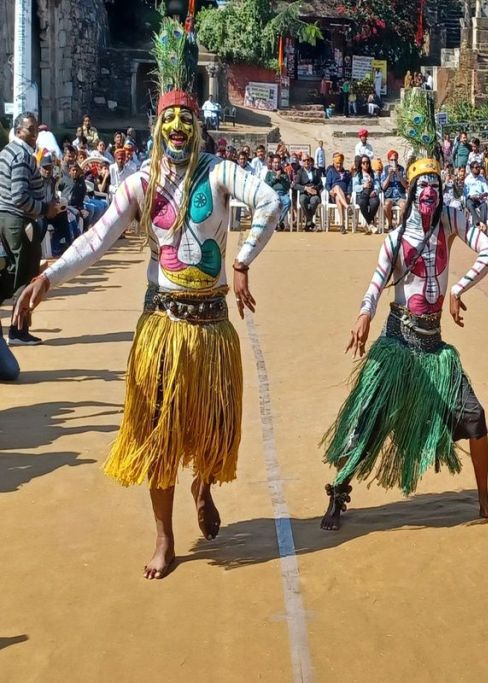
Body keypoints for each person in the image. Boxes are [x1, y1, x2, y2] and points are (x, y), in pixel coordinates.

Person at [13, 17, 282, 578]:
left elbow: (272, 203)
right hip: (161, 327)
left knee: (211, 429)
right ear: (157, 126)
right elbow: (97, 237)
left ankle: (204, 488)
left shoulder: (221, 173)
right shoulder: (138, 182)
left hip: (210, 330)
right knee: (158, 432)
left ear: (198, 126)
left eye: (186, 116)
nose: (179, 125)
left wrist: (239, 261)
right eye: (169, 118)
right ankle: (164, 537)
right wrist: (49, 277)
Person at [320, 86, 488, 531]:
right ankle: (339, 493)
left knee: (475, 418)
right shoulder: (395, 239)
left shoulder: (451, 220)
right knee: (366, 422)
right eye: (422, 187)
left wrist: (459, 288)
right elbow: (375, 282)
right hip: (398, 344)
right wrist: (365, 313)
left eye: (435, 186)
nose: (429, 193)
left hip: (434, 346)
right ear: (410, 190)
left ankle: (484, 500)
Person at [0, 112, 60, 351]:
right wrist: (46, 209)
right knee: (25, 276)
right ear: (18, 130)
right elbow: (19, 196)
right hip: (19, 220)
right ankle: (19, 330)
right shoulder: (22, 155)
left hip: (6, 218)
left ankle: (18, 328)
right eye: (29, 129)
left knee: (13, 271)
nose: (34, 134)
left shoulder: (5, 152)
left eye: (35, 129)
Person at [325, 153, 352, 231]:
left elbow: (349, 184)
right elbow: (327, 184)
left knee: (338, 198)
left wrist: (349, 194)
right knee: (336, 187)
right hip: (333, 195)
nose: (339, 165)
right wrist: (330, 190)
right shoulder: (331, 171)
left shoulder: (346, 173)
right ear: (334, 163)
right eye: (337, 163)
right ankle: (347, 207)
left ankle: (342, 225)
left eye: (340, 163)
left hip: (345, 196)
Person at [381, 150, 407, 230]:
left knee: (404, 205)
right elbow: (383, 187)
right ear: (388, 160)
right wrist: (389, 175)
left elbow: (405, 185)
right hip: (389, 195)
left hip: (400, 195)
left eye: (395, 160)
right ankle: (390, 224)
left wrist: (398, 173)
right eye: (392, 160)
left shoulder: (402, 169)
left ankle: (399, 224)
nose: (393, 161)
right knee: (387, 205)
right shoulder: (385, 170)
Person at [354, 155, 382, 231]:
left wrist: (375, 190)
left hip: (372, 193)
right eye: (363, 163)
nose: (366, 164)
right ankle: (370, 223)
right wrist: (363, 186)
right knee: (361, 202)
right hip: (362, 194)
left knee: (375, 202)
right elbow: (354, 187)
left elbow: (378, 185)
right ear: (360, 164)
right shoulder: (358, 175)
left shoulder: (373, 173)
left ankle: (368, 223)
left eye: (367, 162)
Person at [264, 154, 292, 230]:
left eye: (278, 162)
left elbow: (287, 186)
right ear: (272, 163)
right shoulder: (269, 174)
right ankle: (278, 222)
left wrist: (281, 178)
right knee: (275, 203)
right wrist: (276, 178)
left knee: (288, 201)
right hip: (272, 194)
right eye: (275, 162)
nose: (277, 164)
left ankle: (277, 221)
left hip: (282, 194)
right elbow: (267, 185)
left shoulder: (284, 174)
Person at [296, 155, 323, 231]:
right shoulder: (299, 172)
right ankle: (310, 223)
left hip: (314, 193)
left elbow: (321, 184)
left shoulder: (316, 171)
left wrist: (315, 189)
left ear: (310, 161)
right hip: (305, 193)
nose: (306, 162)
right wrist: (306, 188)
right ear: (302, 162)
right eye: (304, 160)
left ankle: (308, 223)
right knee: (302, 200)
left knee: (315, 200)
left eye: (308, 160)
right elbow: (296, 185)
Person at [463, 159, 488, 230]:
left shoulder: (482, 178)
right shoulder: (467, 179)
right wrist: (471, 196)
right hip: (471, 199)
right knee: (469, 204)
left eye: (479, 167)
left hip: (480, 199)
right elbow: (465, 193)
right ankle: (478, 223)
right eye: (476, 167)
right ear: (471, 169)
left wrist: (483, 195)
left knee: (484, 205)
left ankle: (481, 224)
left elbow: (487, 190)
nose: (478, 169)